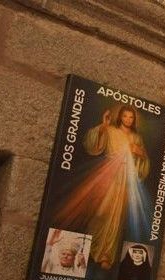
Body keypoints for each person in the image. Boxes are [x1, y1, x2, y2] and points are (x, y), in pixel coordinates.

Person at [52, 104, 151, 271]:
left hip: (126, 178)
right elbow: (93, 145)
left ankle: (106, 255)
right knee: (100, 211)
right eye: (125, 116)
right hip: (108, 173)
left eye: (131, 117)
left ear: (133, 120)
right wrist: (103, 126)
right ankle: (89, 248)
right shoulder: (111, 131)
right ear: (120, 117)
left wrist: (140, 154)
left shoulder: (137, 138)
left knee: (117, 217)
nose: (128, 119)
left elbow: (144, 161)